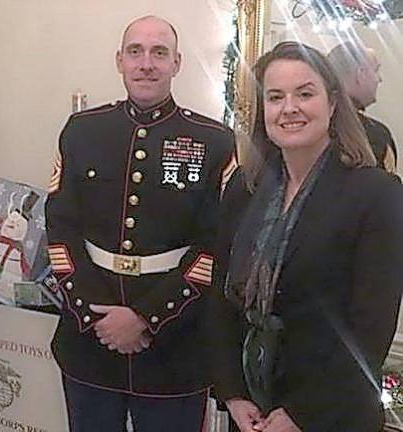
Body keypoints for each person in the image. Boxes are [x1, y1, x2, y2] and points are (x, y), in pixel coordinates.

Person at [45, 15, 235, 432]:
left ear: (176, 63)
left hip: (175, 346)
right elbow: (60, 231)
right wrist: (97, 316)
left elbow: (215, 246)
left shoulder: (214, 141)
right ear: (120, 61)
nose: (146, 63)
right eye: (136, 52)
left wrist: (147, 317)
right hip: (89, 341)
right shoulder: (82, 131)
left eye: (159, 53)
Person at [210, 41, 403, 432]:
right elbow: (220, 297)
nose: (289, 108)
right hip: (252, 409)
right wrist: (232, 392)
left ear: (333, 104)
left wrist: (301, 413)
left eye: (305, 94)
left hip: (331, 412)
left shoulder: (377, 193)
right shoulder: (245, 188)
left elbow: (371, 328)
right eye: (275, 97)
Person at [328, 41, 398, 173]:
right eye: (376, 70)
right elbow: (387, 191)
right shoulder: (376, 135)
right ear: (361, 74)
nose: (379, 79)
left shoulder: (310, 128)